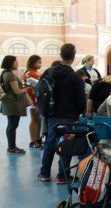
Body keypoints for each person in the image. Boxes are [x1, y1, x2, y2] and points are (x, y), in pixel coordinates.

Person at [36, 43, 86, 184]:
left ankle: (44, 173)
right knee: (66, 144)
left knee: (50, 143)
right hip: (70, 116)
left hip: (52, 114)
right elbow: (80, 100)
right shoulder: (75, 77)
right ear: (74, 56)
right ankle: (62, 175)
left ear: (61, 54)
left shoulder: (49, 72)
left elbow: (40, 90)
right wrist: (81, 112)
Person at [0, 55, 29, 154]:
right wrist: (28, 88)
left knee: (11, 125)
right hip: (13, 104)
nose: (17, 63)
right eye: (15, 61)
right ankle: (12, 148)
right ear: (10, 63)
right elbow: (17, 91)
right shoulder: (10, 75)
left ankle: (11, 147)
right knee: (12, 125)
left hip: (9, 103)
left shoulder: (5, 73)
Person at [23, 54, 43, 149]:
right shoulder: (29, 73)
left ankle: (38, 139)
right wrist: (35, 102)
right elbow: (30, 89)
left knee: (38, 120)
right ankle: (33, 141)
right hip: (34, 99)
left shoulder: (35, 73)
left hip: (38, 99)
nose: (40, 64)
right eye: (39, 62)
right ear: (33, 62)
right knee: (34, 120)